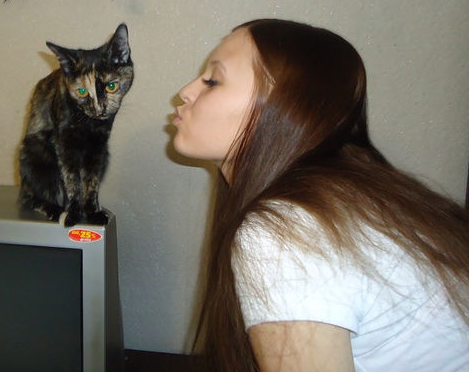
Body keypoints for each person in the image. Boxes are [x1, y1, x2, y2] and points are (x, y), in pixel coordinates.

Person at [170, 19, 469, 371]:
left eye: (212, 81)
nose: (185, 92)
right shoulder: (345, 194)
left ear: (284, 107)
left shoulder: (283, 233)